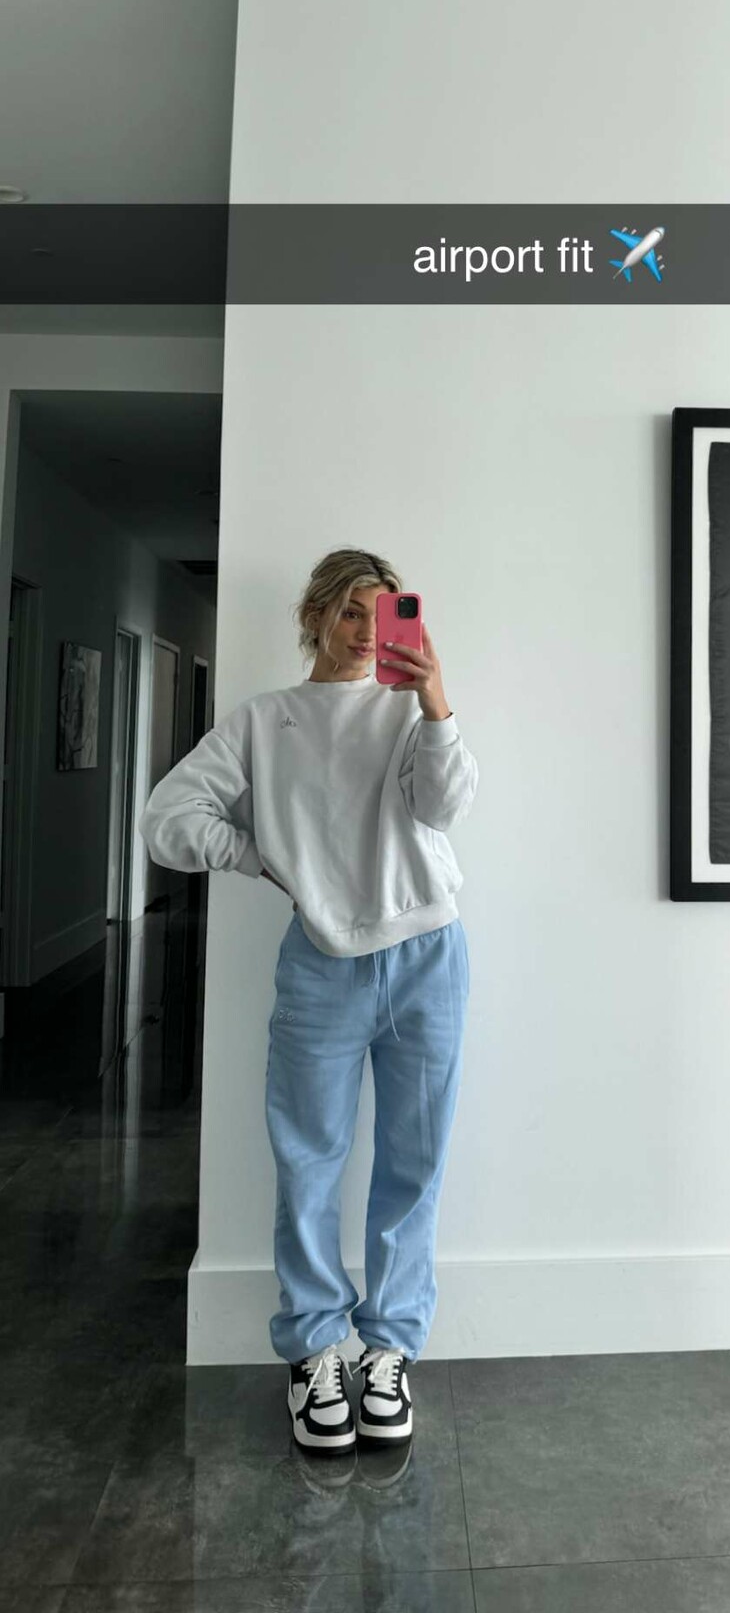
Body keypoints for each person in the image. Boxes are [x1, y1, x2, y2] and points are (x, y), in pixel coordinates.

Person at [139, 546, 478, 1457]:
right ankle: (318, 1351)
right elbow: (168, 819)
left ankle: (389, 1351)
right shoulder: (266, 721)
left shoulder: (408, 709)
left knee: (414, 1163)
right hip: (322, 963)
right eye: (350, 612)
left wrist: (435, 700)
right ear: (316, 615)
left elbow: (444, 808)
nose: (367, 632)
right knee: (308, 1163)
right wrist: (262, 857)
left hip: (428, 953)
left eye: (384, 613)